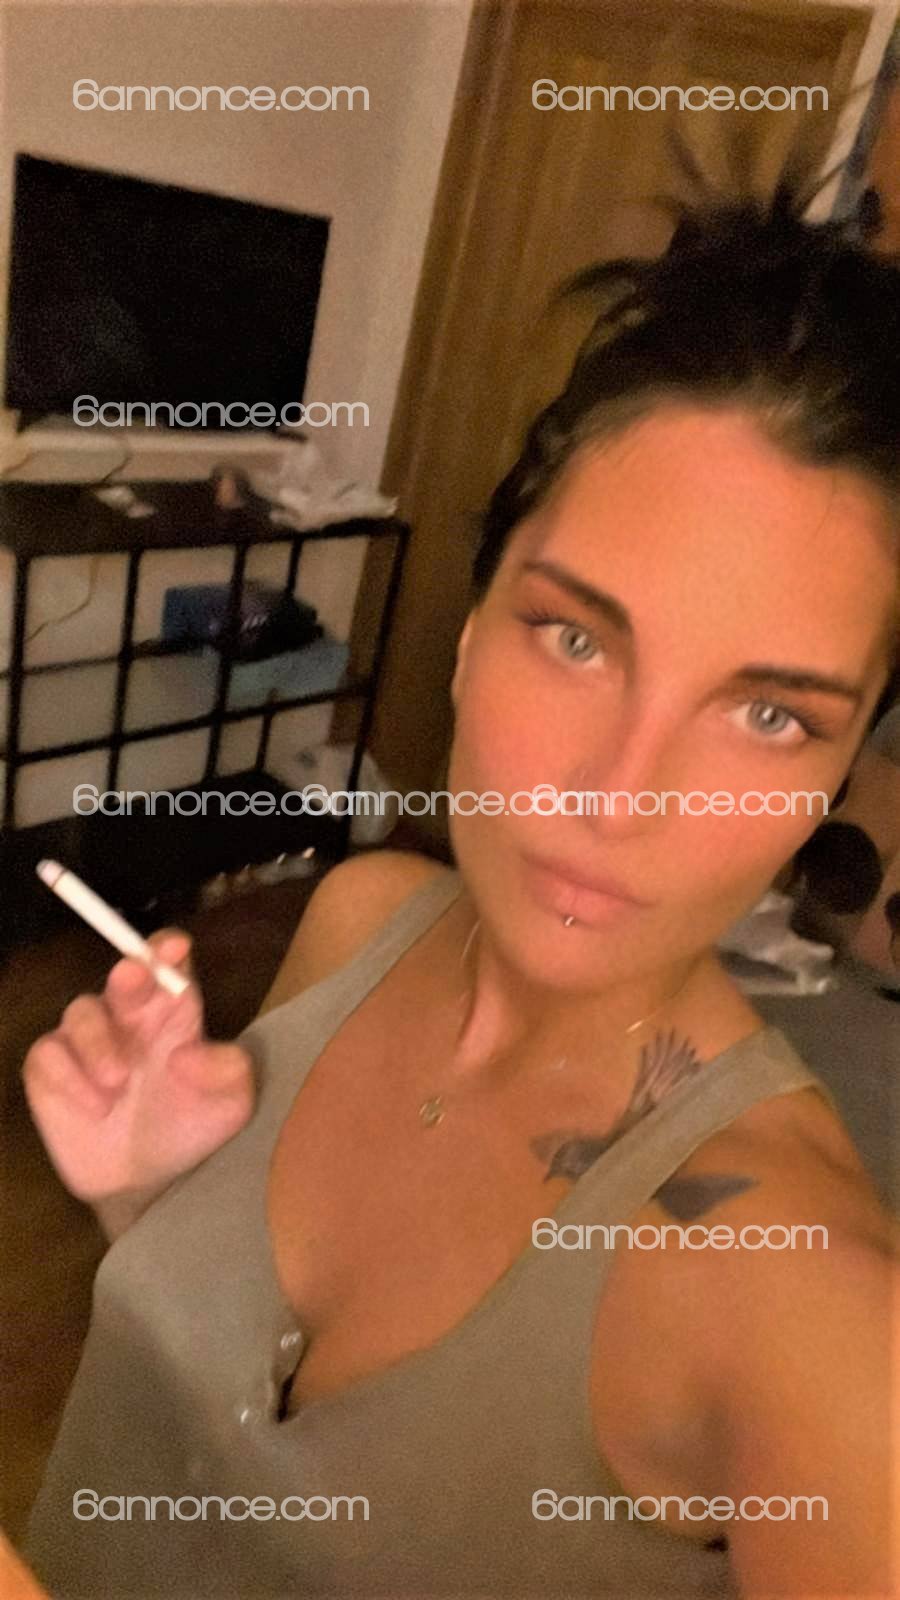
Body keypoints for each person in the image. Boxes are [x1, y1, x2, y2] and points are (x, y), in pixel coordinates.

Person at [21, 179, 899, 1598]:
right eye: (576, 639)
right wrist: (155, 1197)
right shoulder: (363, 913)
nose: (618, 796)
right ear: (473, 628)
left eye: (769, 715)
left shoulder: (808, 1299)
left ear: (835, 775)